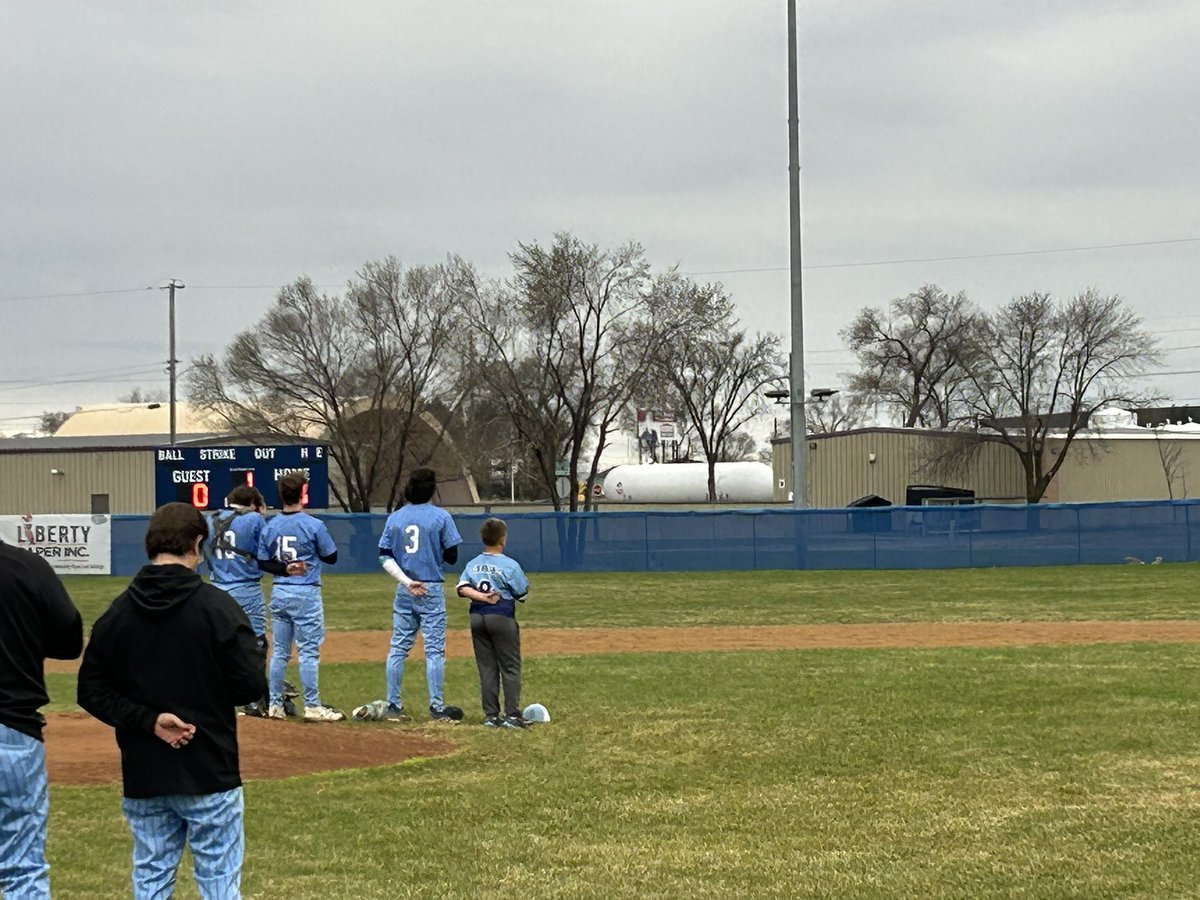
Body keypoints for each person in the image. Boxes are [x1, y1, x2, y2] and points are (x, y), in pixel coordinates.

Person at [77, 502, 266, 900]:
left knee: (152, 879)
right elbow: (250, 686)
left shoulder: (118, 614)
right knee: (219, 883)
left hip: (146, 772)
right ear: (198, 543)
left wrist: (148, 720)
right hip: (209, 768)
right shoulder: (218, 607)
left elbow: (91, 690)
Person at [1, 538, 83, 898]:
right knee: (23, 868)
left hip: (15, 728)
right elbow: (68, 641)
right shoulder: (26, 566)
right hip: (13, 730)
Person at [377, 467, 464, 722]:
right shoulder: (441, 517)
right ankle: (436, 707)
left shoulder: (395, 518)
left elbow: (384, 555)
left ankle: (393, 705)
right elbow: (452, 555)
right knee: (434, 650)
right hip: (431, 587)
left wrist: (405, 580)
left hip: (405, 587)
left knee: (398, 648)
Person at [258, 471, 343, 722]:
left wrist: (284, 568)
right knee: (308, 652)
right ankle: (313, 705)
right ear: (302, 494)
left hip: (280, 591)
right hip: (306, 592)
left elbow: (263, 562)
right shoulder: (313, 524)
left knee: (280, 652)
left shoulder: (270, 525)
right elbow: (332, 556)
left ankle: (275, 705)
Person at [206, 484, 294, 717]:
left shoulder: (211, 518)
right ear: (255, 504)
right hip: (246, 588)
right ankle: (255, 699)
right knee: (256, 644)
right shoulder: (254, 520)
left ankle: (216, 697)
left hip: (217, 588)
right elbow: (267, 552)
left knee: (219, 644)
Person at [456, 518, 530, 729]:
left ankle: (490, 716)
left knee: (487, 667)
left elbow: (462, 588)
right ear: (503, 539)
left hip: (477, 617)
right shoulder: (509, 564)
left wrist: (480, 596)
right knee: (510, 667)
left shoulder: (472, 563)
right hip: (501, 616)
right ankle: (512, 716)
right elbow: (522, 593)